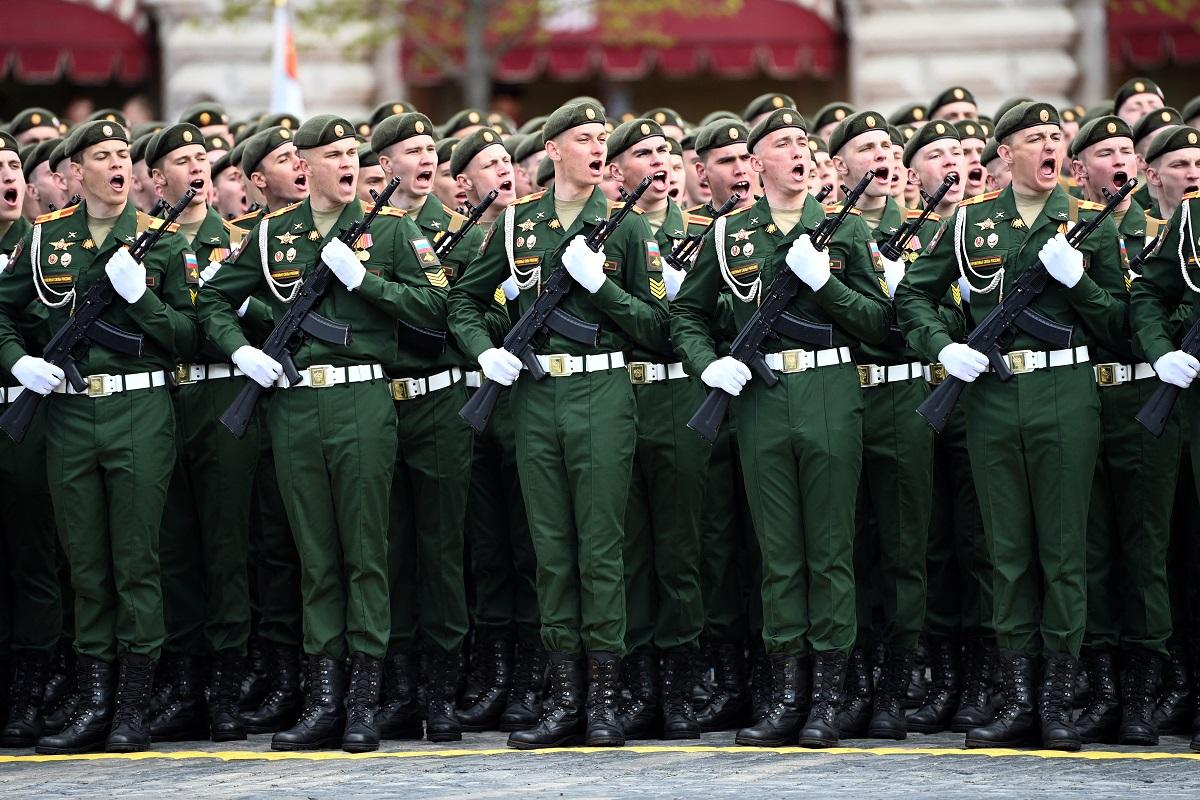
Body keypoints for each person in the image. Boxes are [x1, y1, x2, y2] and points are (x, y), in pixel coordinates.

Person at [199, 114, 448, 753]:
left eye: (351, 153)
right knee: (316, 558)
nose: (345, 163)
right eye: (332, 154)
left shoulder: (391, 231)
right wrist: (241, 352)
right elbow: (211, 300)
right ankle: (324, 698)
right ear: (303, 165)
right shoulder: (270, 235)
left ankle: (364, 702)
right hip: (292, 406)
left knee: (365, 554)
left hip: (363, 400)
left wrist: (368, 281)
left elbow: (434, 309)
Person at [895, 102, 1127, 751]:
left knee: (1062, 550)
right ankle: (1018, 697)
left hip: (1064, 392)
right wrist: (943, 347)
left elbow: (1119, 324)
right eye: (1035, 137)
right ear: (1005, 154)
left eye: (1056, 137)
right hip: (994, 395)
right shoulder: (973, 223)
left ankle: (1058, 703)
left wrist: (1078, 282)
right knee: (1007, 552)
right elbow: (913, 294)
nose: (1049, 145)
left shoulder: (1086, 224)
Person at [448, 100, 666, 750]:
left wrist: (600, 287)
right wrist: (481, 349)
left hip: (601, 391)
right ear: (553, 150)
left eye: (602, 137)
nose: (598, 146)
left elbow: (657, 327)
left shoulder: (623, 229)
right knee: (552, 552)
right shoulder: (518, 226)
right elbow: (462, 298)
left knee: (600, 551)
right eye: (583, 137)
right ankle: (564, 698)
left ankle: (603, 702)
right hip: (537, 396)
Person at [671, 107, 891, 748]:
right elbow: (686, 313)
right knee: (779, 554)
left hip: (828, 389)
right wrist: (709, 367)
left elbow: (880, 323)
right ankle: (787, 693)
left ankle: (829, 697)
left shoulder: (841, 229)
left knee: (829, 551)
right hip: (762, 399)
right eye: (781, 144)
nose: (797, 151)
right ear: (755, 162)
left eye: (804, 143)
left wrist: (828, 287)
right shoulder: (730, 233)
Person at [0, 120, 199, 754]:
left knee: (136, 562)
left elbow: (188, 336)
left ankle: (133, 705)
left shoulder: (159, 241)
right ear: (73, 173)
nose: (116, 164)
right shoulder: (41, 240)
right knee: (85, 564)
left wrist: (140, 299)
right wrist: (15, 359)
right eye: (102, 156)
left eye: (122, 155)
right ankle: (92, 699)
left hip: (139, 411)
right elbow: (2, 309)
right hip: (67, 414)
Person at [140, 123, 259, 744]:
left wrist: (244, 310)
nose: (195, 171)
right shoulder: (145, 245)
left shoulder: (240, 244)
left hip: (221, 396)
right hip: (165, 398)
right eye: (181, 162)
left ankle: (224, 687)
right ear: (155, 179)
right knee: (172, 545)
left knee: (225, 544)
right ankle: (181, 682)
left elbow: (274, 316)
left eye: (201, 161)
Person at [1067, 115, 1178, 746]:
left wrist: (1079, 283)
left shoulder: (1159, 237)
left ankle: (1142, 694)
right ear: (1080, 170)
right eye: (1104, 153)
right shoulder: (1069, 235)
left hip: (1143, 399)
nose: (1119, 162)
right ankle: (1103, 688)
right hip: (1086, 400)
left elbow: (1132, 324)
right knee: (1090, 550)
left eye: (1126, 152)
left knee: (1144, 550)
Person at [603, 118, 708, 741]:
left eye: (666, 151)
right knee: (627, 551)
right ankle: (637, 681)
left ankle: (681, 682)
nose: (660, 162)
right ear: (617, 172)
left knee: (679, 548)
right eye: (644, 154)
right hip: (620, 394)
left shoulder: (700, 235)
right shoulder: (605, 236)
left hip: (676, 399)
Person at [1127, 125, 1200, 756]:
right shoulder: (1190, 223)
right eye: (1183, 162)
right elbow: (1148, 294)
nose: (1196, 172)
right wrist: (1162, 355)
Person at [0, 132, 62, 750]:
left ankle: (31, 691)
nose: (7, 177)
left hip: (29, 419)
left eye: (13, 165)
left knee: (33, 560)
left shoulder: (46, 246)